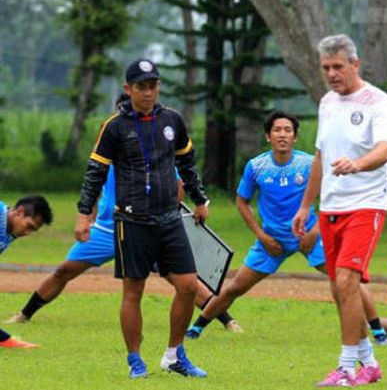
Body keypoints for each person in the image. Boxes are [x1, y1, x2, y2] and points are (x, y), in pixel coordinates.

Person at [6, 95, 240, 333]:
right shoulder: (110, 142)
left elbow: (178, 184)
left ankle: (227, 320)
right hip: (106, 229)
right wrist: (87, 217)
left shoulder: (153, 151)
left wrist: (168, 213)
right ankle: (25, 314)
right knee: (64, 270)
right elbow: (94, 181)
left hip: (146, 226)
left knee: (183, 280)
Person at [186, 111, 387, 344]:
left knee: (346, 279)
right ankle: (196, 328)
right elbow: (242, 203)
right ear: (268, 136)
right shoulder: (257, 166)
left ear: (295, 137)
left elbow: (334, 196)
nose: (282, 135)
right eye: (277, 130)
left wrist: (315, 231)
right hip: (273, 240)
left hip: (309, 235)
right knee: (235, 287)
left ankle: (379, 331)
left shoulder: (309, 163)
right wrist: (262, 236)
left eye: (287, 130)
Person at [74, 59, 209, 378]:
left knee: (189, 285)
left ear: (158, 86)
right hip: (132, 221)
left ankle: (174, 355)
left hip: (169, 218)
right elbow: (96, 172)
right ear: (128, 89)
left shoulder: (172, 120)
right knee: (134, 291)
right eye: (141, 87)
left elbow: (187, 163)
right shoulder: (115, 127)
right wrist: (84, 213)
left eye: (153, 86)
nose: (148, 92)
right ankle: (135, 359)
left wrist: (200, 199)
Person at [292, 34, 387, 387]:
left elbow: (384, 150)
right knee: (339, 289)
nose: (332, 74)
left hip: (366, 204)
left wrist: (357, 165)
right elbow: (320, 156)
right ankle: (369, 363)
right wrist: (306, 206)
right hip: (330, 208)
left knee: (347, 281)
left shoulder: (378, 102)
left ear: (355, 64)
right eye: (326, 68)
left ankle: (346, 368)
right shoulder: (326, 102)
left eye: (338, 66)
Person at [0, 195, 53, 348]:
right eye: (29, 226)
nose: (27, 233)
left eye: (33, 230)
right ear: (19, 212)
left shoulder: (9, 229)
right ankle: (5, 340)